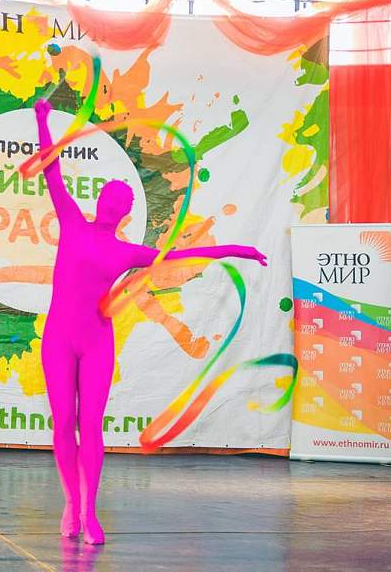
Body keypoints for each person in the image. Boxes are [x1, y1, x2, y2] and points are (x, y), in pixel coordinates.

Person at [33, 98, 267, 544]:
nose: (112, 203)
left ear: (124, 213)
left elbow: (182, 255)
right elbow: (51, 170)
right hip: (59, 338)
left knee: (91, 424)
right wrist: (43, 121)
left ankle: (89, 510)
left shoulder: (127, 253)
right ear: (99, 201)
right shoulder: (72, 222)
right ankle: (70, 502)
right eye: (108, 196)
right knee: (63, 422)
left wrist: (235, 250)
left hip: (96, 341)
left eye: (119, 201)